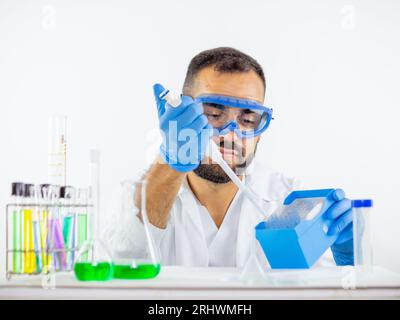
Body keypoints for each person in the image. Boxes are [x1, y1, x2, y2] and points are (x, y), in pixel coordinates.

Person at [107, 47, 354, 268]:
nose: (231, 134)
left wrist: (349, 262)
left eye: (247, 120)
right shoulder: (140, 194)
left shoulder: (288, 201)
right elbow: (121, 270)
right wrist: (171, 161)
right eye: (214, 114)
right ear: (183, 115)